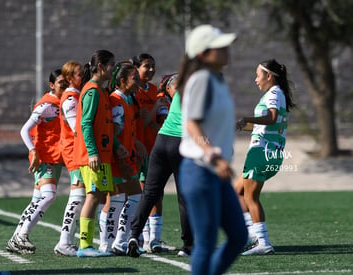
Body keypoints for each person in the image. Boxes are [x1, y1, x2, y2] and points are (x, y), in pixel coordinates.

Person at [176, 24, 248, 275]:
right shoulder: (201, 80)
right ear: (203, 54)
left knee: (239, 236)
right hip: (199, 170)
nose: (226, 49)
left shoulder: (216, 79)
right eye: (219, 47)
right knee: (206, 243)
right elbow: (191, 123)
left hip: (214, 173)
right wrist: (213, 156)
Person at [126, 73, 193, 258]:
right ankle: (187, 246)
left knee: (149, 193)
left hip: (162, 141)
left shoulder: (181, 89)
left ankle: (133, 236)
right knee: (184, 198)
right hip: (181, 143)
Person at [234, 59, 295, 255]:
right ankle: (252, 234)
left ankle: (263, 242)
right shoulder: (275, 94)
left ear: (269, 76)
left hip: (263, 151)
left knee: (251, 196)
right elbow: (268, 124)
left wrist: (247, 118)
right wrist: (243, 126)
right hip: (264, 150)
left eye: (258, 75)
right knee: (237, 192)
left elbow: (272, 118)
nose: (255, 79)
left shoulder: (274, 93)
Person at [73, 49, 128, 257]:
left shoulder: (101, 91)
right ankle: (84, 246)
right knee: (93, 196)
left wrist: (115, 145)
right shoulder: (92, 91)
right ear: (100, 67)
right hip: (92, 157)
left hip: (102, 155)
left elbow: (102, 127)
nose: (113, 69)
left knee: (98, 196)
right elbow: (85, 124)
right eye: (111, 65)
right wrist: (93, 153)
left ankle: (89, 244)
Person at [6, 69, 66, 254]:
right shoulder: (46, 105)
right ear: (51, 85)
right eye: (61, 83)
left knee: (37, 200)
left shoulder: (64, 101)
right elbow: (24, 130)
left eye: (67, 82)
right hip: (43, 157)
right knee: (49, 196)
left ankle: (16, 239)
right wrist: (34, 151)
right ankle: (21, 235)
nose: (64, 86)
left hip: (55, 157)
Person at [131, 53, 170, 252]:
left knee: (157, 194)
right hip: (137, 150)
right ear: (136, 68)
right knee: (144, 193)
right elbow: (143, 122)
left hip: (155, 149)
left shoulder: (156, 90)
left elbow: (155, 123)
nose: (152, 70)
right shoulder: (133, 92)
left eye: (153, 66)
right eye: (147, 66)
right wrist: (156, 107)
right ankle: (141, 237)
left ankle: (154, 239)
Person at [108, 63, 144, 254]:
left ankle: (111, 241)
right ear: (122, 81)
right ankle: (118, 241)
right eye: (134, 79)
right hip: (119, 160)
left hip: (125, 157)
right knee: (135, 196)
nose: (138, 83)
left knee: (119, 199)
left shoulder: (126, 101)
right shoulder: (117, 103)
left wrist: (135, 143)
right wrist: (122, 161)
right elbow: (113, 135)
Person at [54, 60, 86, 256]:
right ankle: (64, 242)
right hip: (73, 150)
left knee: (82, 195)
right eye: (79, 74)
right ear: (69, 78)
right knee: (78, 194)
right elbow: (77, 128)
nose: (83, 76)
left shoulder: (76, 95)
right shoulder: (70, 98)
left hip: (76, 149)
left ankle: (69, 241)